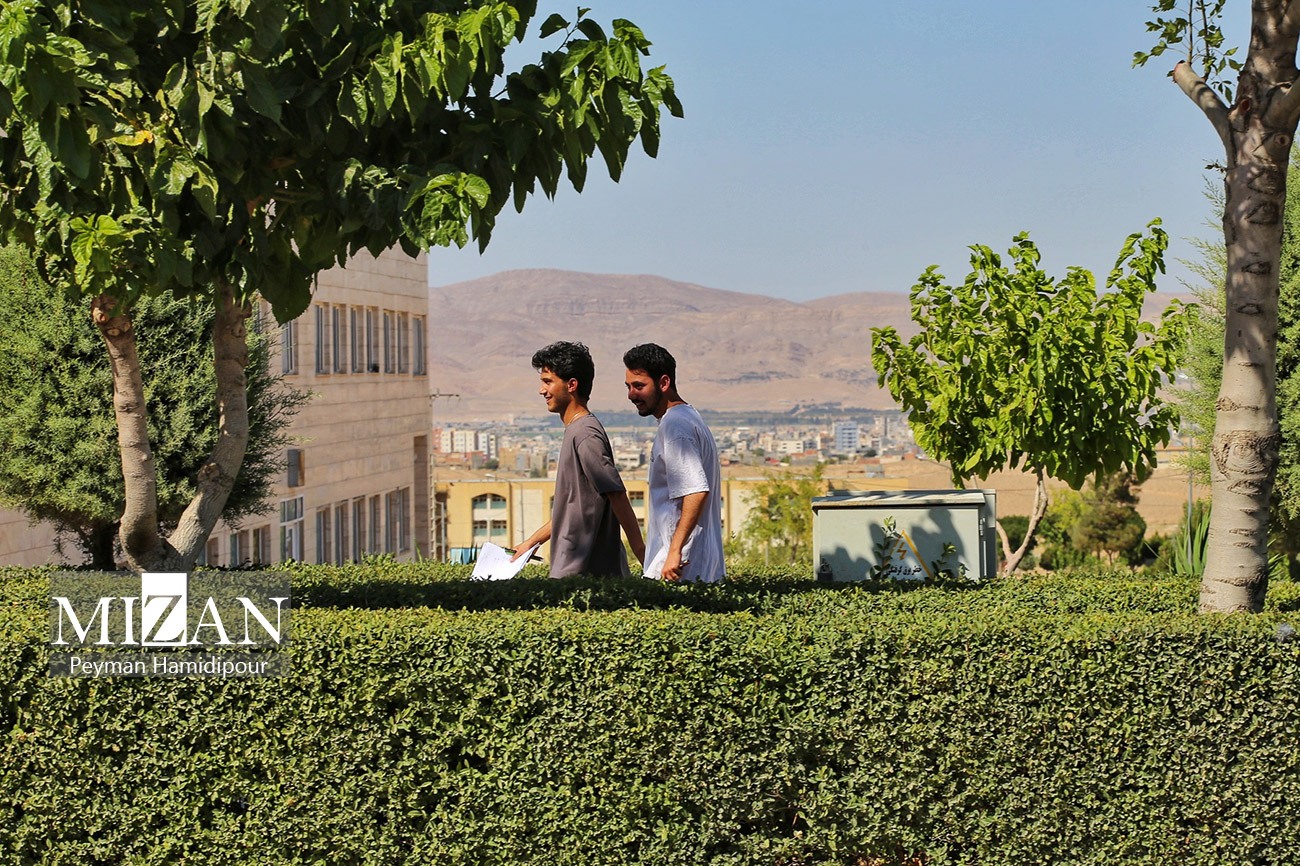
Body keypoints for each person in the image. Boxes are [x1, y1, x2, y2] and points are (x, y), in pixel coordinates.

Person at [514, 341, 645, 577]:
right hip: (572, 570)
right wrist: (531, 543)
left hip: (586, 575)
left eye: (548, 382)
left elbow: (616, 494)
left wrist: (643, 554)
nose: (542, 390)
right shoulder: (576, 430)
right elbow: (570, 511)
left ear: (572, 385)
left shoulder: (585, 434)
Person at [623, 343, 725, 583]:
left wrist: (674, 551)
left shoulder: (675, 426)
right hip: (688, 565)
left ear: (664, 383)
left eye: (639, 386)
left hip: (677, 568)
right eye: (628, 387)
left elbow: (696, 491)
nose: (631, 395)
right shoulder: (688, 417)